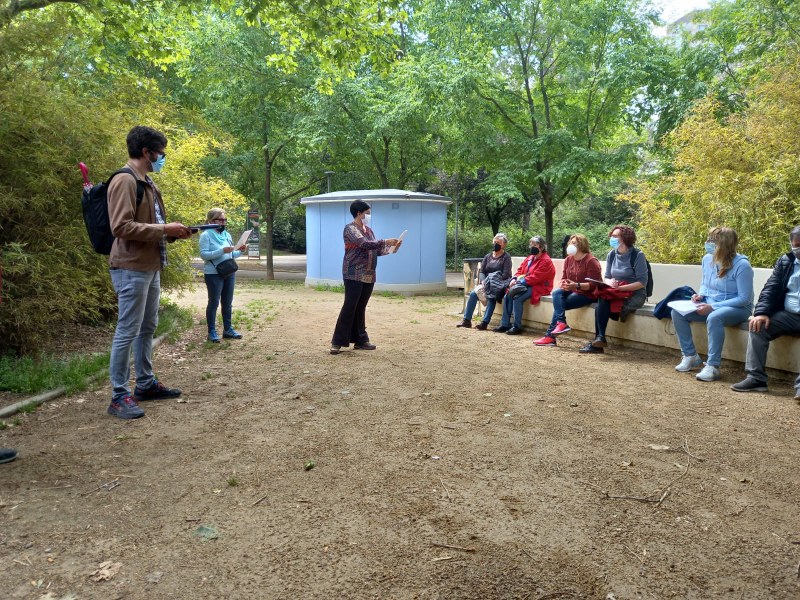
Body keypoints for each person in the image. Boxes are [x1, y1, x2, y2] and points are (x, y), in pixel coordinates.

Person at [106, 125, 192, 419]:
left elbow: (150, 226)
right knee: (127, 330)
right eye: (161, 153)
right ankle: (119, 395)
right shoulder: (125, 180)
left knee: (147, 327)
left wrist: (172, 233)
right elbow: (120, 226)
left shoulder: (147, 182)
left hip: (150, 266)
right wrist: (164, 228)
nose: (162, 158)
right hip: (130, 268)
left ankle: (145, 384)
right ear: (147, 152)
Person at [672, 227, 753, 382]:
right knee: (677, 312)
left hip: (738, 308)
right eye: (708, 239)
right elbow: (705, 284)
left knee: (715, 317)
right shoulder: (707, 259)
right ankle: (690, 356)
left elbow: (744, 298)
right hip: (710, 303)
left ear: (724, 244)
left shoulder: (742, 266)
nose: (708, 243)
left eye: (712, 240)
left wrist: (713, 307)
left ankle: (713, 366)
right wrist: (700, 295)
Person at [731, 225, 800, 402]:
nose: (796, 249)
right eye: (794, 245)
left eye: (799, 245)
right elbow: (771, 288)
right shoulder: (786, 261)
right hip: (788, 315)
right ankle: (756, 379)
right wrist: (761, 312)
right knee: (757, 326)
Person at [330, 201, 400, 354]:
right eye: (367, 212)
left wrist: (391, 249)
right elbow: (364, 244)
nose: (369, 215)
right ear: (358, 213)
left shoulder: (369, 230)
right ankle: (337, 341)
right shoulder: (350, 229)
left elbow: (376, 250)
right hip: (353, 273)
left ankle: (361, 340)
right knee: (350, 306)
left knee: (360, 307)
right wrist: (385, 241)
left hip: (369, 274)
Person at [580, 225, 648, 354]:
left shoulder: (637, 255)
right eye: (612, 236)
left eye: (615, 236)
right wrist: (609, 283)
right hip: (616, 292)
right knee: (602, 298)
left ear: (625, 238)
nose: (612, 238)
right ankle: (600, 338)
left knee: (603, 302)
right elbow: (607, 277)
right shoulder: (611, 254)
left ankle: (598, 341)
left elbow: (642, 283)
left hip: (634, 294)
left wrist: (620, 288)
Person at [534, 234, 601, 347]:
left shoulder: (591, 261)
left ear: (582, 245)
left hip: (588, 293)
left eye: (574, 243)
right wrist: (564, 283)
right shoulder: (568, 259)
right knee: (556, 292)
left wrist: (577, 285)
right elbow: (564, 277)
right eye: (570, 242)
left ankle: (550, 336)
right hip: (572, 289)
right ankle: (561, 322)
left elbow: (595, 285)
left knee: (560, 304)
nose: (570, 245)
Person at [199, 208, 247, 343]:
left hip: (229, 272)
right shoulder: (206, 235)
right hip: (213, 274)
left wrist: (241, 251)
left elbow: (232, 254)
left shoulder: (227, 235)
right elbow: (204, 255)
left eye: (225, 220)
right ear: (211, 221)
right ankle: (212, 332)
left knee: (227, 302)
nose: (223, 222)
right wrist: (222, 250)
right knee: (213, 302)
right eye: (220, 219)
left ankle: (228, 330)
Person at [494, 235, 555, 335]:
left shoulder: (546, 261)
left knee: (517, 297)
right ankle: (505, 324)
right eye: (531, 245)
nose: (532, 247)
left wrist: (518, 282)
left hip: (539, 286)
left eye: (535, 245)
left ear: (542, 247)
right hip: (526, 284)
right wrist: (514, 279)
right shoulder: (529, 258)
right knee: (508, 293)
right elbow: (519, 271)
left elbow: (536, 278)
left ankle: (517, 326)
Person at [456, 233, 513, 330]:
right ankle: (466, 320)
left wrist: (492, 280)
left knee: (491, 297)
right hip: (486, 282)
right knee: (473, 294)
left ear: (504, 245)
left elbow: (506, 274)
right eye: (495, 242)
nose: (496, 244)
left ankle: (484, 322)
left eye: (498, 242)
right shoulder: (488, 256)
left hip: (500, 283)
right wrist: (484, 281)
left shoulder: (506, 257)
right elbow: (482, 271)